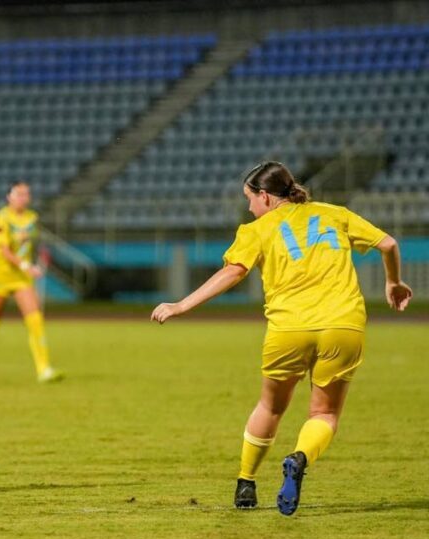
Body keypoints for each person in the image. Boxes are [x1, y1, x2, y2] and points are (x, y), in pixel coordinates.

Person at [151, 161, 412, 515]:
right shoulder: (334, 214)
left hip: (289, 328)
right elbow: (389, 244)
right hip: (343, 324)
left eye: (250, 199)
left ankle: (246, 482)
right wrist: (393, 282)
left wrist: (182, 305)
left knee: (271, 407)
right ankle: (299, 457)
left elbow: (233, 271)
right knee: (325, 413)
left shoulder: (257, 230)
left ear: (266, 197)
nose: (248, 208)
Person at [0, 181, 62, 384]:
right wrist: (27, 266)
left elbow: (33, 244)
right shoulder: (2, 218)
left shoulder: (32, 218)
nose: (23, 197)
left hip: (21, 278)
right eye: (19, 194)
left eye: (26, 194)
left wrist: (42, 256)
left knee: (35, 320)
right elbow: (5, 251)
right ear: (9, 196)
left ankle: (44, 369)